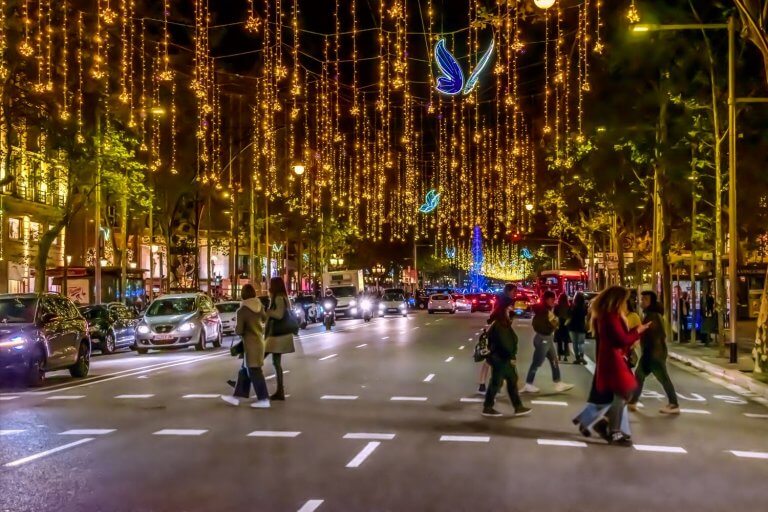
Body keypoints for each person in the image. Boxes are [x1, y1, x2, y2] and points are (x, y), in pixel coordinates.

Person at [593, 286, 651, 445]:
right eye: (625, 300)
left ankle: (606, 423)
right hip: (613, 358)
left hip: (614, 357)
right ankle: (613, 431)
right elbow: (622, 339)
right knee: (624, 391)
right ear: (617, 301)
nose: (627, 304)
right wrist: (637, 330)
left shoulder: (609, 315)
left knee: (627, 391)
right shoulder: (610, 317)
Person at [221, 284, 270, 409]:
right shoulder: (260, 307)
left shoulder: (242, 311)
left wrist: (236, 328)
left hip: (249, 344)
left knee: (255, 371)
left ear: (242, 294)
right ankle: (236, 397)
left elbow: (239, 330)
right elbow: (265, 319)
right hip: (259, 342)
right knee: (244, 371)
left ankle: (264, 398)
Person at [629, 291, 679, 414]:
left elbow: (655, 337)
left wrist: (647, 355)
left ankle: (674, 404)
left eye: (645, 299)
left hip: (654, 355)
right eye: (641, 299)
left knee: (663, 378)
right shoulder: (651, 315)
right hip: (653, 353)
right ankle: (632, 402)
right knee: (639, 375)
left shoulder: (653, 316)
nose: (642, 302)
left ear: (651, 301)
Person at [482, 297, 531, 418]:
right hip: (501, 358)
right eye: (511, 307)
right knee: (497, 382)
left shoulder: (503, 322)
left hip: (501, 358)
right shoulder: (500, 324)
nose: (513, 309)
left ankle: (517, 406)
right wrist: (511, 356)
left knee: (510, 380)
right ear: (504, 308)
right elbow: (505, 343)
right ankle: (488, 407)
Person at [522, 291, 574, 394]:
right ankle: (528, 384)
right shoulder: (543, 311)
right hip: (543, 338)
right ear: (546, 299)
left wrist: (554, 323)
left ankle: (558, 382)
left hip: (547, 338)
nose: (554, 301)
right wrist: (553, 325)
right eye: (552, 299)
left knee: (554, 360)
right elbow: (541, 325)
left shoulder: (546, 310)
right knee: (537, 362)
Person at [265, 277, 296, 401]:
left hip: (277, 336)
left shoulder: (278, 298)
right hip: (278, 336)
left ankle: (243, 383)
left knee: (256, 360)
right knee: (275, 363)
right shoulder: (282, 297)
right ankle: (280, 390)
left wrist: (267, 311)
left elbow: (278, 315)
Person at [568, 292, 588, 365]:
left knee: (575, 343)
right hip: (581, 327)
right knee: (581, 343)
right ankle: (582, 357)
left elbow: (569, 315)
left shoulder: (572, 307)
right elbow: (586, 317)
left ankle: (577, 358)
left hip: (572, 327)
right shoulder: (584, 307)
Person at [554, 293, 571, 362]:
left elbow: (554, 315)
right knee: (566, 341)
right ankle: (566, 356)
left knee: (559, 341)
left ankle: (559, 356)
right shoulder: (568, 306)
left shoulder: (557, 306)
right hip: (566, 324)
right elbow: (570, 316)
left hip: (559, 323)